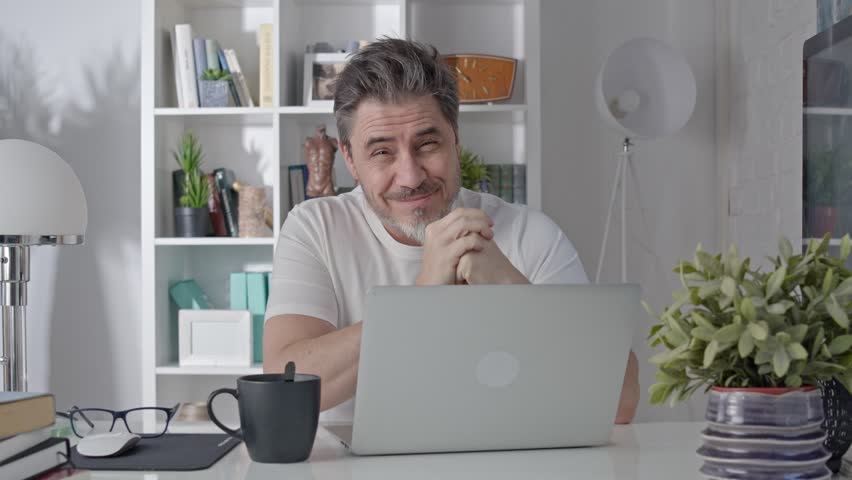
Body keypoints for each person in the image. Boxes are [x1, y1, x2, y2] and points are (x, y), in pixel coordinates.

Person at [263, 38, 639, 424]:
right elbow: (283, 383)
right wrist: (422, 298)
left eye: (427, 144)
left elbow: (622, 402)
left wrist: (510, 291)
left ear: (455, 139)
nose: (410, 176)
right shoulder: (315, 228)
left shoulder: (530, 234)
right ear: (350, 159)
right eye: (381, 152)